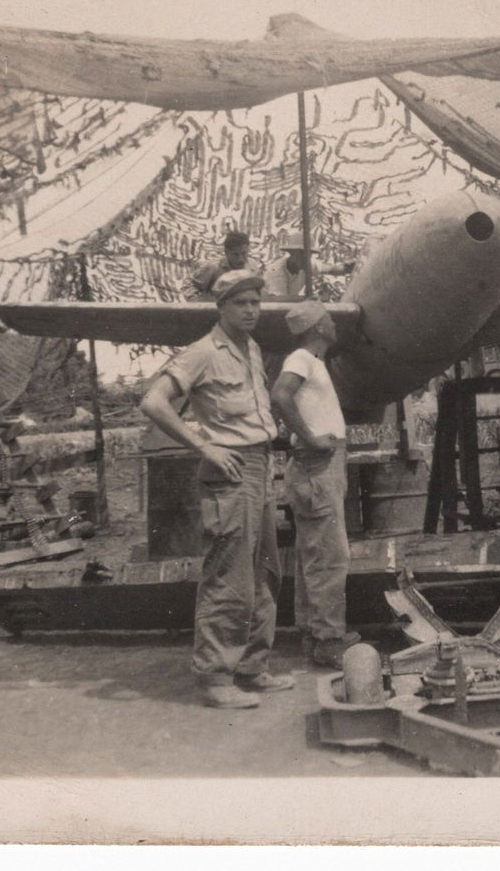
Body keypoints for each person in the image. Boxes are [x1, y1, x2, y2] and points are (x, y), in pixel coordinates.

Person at [138, 269, 290, 709]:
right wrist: (204, 446)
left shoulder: (252, 348)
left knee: (266, 573)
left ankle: (253, 667)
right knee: (230, 578)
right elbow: (153, 402)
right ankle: (216, 677)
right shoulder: (202, 352)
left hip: (260, 466)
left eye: (255, 302)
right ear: (221, 307)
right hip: (231, 471)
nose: (250, 310)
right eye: (240, 303)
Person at [270, 300, 360, 669]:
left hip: (322, 465)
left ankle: (315, 632)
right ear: (317, 327)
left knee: (315, 554)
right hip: (316, 465)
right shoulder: (301, 359)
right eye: (329, 319)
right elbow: (280, 395)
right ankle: (328, 640)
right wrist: (308, 437)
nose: (335, 325)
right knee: (329, 556)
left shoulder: (313, 362)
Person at [262, 230, 354, 299]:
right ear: (292, 253)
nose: (306, 258)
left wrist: (349, 267)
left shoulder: (306, 263)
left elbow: (331, 269)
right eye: (301, 254)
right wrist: (308, 299)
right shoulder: (276, 271)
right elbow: (280, 301)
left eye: (308, 254)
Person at [190, 231, 254, 300]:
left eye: (244, 253)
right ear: (226, 252)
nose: (240, 259)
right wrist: (201, 305)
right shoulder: (213, 267)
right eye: (235, 254)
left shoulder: (253, 266)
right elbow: (189, 286)